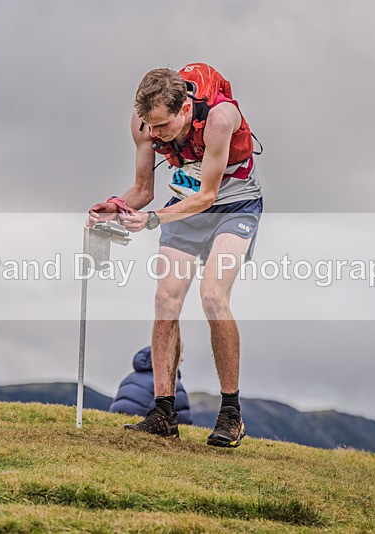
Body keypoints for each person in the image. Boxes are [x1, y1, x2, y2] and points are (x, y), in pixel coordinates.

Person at [88, 63, 263, 447]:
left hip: (233, 207)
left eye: (162, 127)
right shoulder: (144, 125)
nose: (154, 135)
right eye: (148, 126)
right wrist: (115, 206)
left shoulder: (219, 118)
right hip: (183, 208)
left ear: (185, 110)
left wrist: (151, 221)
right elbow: (142, 190)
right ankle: (163, 413)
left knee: (213, 295)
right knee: (166, 298)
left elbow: (208, 196)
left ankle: (231, 414)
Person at [109, 346, 192, 425]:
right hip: (144, 425)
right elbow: (183, 420)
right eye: (179, 354)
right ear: (171, 357)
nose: (182, 359)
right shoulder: (171, 383)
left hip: (116, 422)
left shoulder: (129, 377)